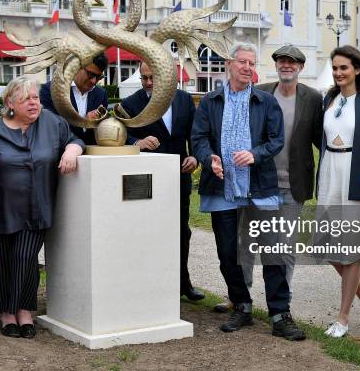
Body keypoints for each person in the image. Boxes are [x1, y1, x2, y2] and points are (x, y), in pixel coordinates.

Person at [192, 42, 299, 340]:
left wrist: (255, 154)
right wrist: (207, 157)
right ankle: (242, 305)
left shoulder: (266, 102)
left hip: (260, 185)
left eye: (252, 63)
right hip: (220, 186)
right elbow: (198, 139)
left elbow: (276, 140)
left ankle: (280, 313)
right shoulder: (211, 101)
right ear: (230, 64)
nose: (247, 67)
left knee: (272, 249)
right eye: (242, 62)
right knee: (228, 252)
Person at [0, 75, 84, 339]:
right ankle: (7, 312)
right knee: (5, 260)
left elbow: (76, 139)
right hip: (1, 209)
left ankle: (25, 310)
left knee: (26, 259)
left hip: (37, 207)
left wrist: (72, 150)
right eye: (25, 98)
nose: (33, 103)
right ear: (10, 103)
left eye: (36, 98)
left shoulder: (52, 123)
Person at [317, 45, 360, 338]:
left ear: (356, 69)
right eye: (334, 68)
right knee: (327, 246)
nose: (338, 73)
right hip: (330, 171)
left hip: (355, 176)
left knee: (350, 251)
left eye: (343, 67)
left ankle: (343, 318)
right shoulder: (330, 98)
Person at [121, 62, 204, 301]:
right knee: (147, 231)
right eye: (144, 78)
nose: (148, 83)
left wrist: (195, 156)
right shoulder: (131, 103)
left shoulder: (184, 100)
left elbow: (195, 135)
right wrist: (136, 142)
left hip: (179, 176)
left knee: (181, 231)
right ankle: (149, 284)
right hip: (146, 179)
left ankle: (183, 283)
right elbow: (119, 132)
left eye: (152, 78)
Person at [39, 53, 108, 145]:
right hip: (61, 154)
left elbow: (102, 131)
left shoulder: (101, 94)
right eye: (91, 75)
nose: (94, 81)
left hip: (90, 155)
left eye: (99, 77)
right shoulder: (50, 90)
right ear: (76, 67)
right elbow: (51, 127)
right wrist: (85, 123)